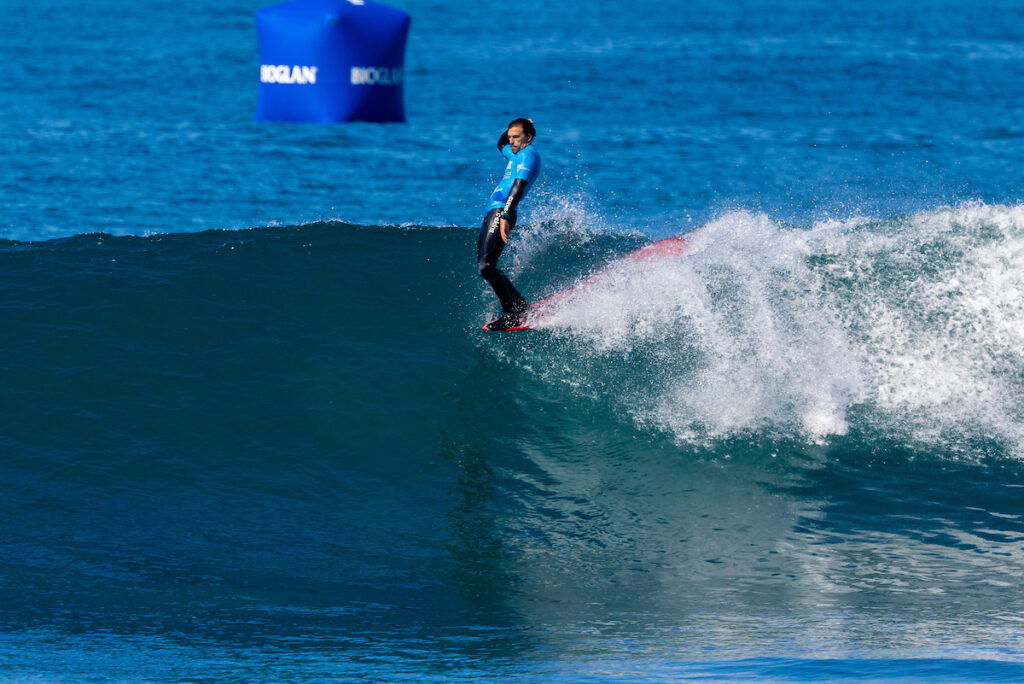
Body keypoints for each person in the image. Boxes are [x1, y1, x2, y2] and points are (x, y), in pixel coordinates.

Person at [478, 117, 541, 330]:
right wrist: (516, 126)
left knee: (486, 267)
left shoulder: (528, 154)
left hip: (501, 211)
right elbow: (501, 145)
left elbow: (519, 186)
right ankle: (520, 305)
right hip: (491, 211)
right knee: (487, 267)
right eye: (511, 136)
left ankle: (511, 315)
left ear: (529, 138)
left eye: (517, 137)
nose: (512, 141)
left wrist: (505, 214)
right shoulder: (513, 153)